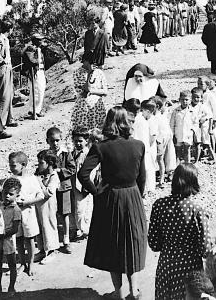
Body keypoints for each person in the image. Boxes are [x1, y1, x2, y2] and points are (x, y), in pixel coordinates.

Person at [79, 107, 147, 300]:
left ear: (108, 122)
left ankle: (119, 293)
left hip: (110, 198)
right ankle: (135, 291)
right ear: (126, 122)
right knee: (131, 243)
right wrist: (138, 196)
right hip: (132, 195)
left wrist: (96, 192)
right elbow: (143, 177)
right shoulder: (138, 145)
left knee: (113, 246)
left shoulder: (101, 146)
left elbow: (83, 174)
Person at [148, 163, 210, 300]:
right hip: (190, 268)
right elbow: (205, 249)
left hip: (166, 266)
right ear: (193, 182)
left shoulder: (159, 205)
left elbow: (153, 243)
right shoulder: (197, 210)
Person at [8, 151, 44, 277]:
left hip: (28, 212)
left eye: (13, 166)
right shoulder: (11, 180)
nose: (11, 168)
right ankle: (22, 263)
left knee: (29, 239)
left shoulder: (31, 179)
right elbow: (4, 195)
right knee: (18, 239)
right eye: (10, 165)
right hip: (15, 214)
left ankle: (31, 263)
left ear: (23, 165)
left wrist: (28, 202)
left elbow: (41, 195)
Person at [46, 127, 75, 253]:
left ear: (61, 139)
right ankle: (53, 240)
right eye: (52, 141)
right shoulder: (46, 155)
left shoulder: (65, 153)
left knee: (65, 213)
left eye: (57, 140)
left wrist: (60, 171)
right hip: (52, 188)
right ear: (48, 141)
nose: (55, 143)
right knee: (52, 213)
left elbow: (72, 169)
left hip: (64, 187)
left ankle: (66, 239)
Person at [0, 178, 21, 295]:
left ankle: (11, 288)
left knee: (11, 264)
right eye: (5, 193)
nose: (7, 196)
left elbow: (15, 229)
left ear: (17, 195)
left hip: (8, 240)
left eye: (11, 194)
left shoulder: (16, 210)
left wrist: (1, 234)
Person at [35, 149, 60, 263]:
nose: (39, 165)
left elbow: (49, 192)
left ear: (49, 163)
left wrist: (39, 183)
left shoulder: (54, 176)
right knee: (40, 227)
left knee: (48, 226)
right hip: (39, 206)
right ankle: (41, 250)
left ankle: (52, 250)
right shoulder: (40, 175)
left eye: (41, 163)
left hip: (48, 206)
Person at [71, 60, 108, 136]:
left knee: (97, 132)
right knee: (82, 132)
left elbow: (105, 91)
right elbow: (83, 92)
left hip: (97, 108)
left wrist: (92, 91)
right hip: (83, 108)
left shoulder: (99, 73)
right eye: (90, 62)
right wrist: (89, 74)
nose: (93, 64)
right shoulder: (78, 72)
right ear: (85, 61)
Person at [22, 34, 47, 117]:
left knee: (40, 90)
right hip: (35, 72)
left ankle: (37, 109)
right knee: (36, 90)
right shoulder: (31, 48)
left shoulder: (38, 49)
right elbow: (32, 60)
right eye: (39, 40)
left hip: (40, 71)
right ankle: (34, 110)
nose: (41, 41)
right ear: (35, 40)